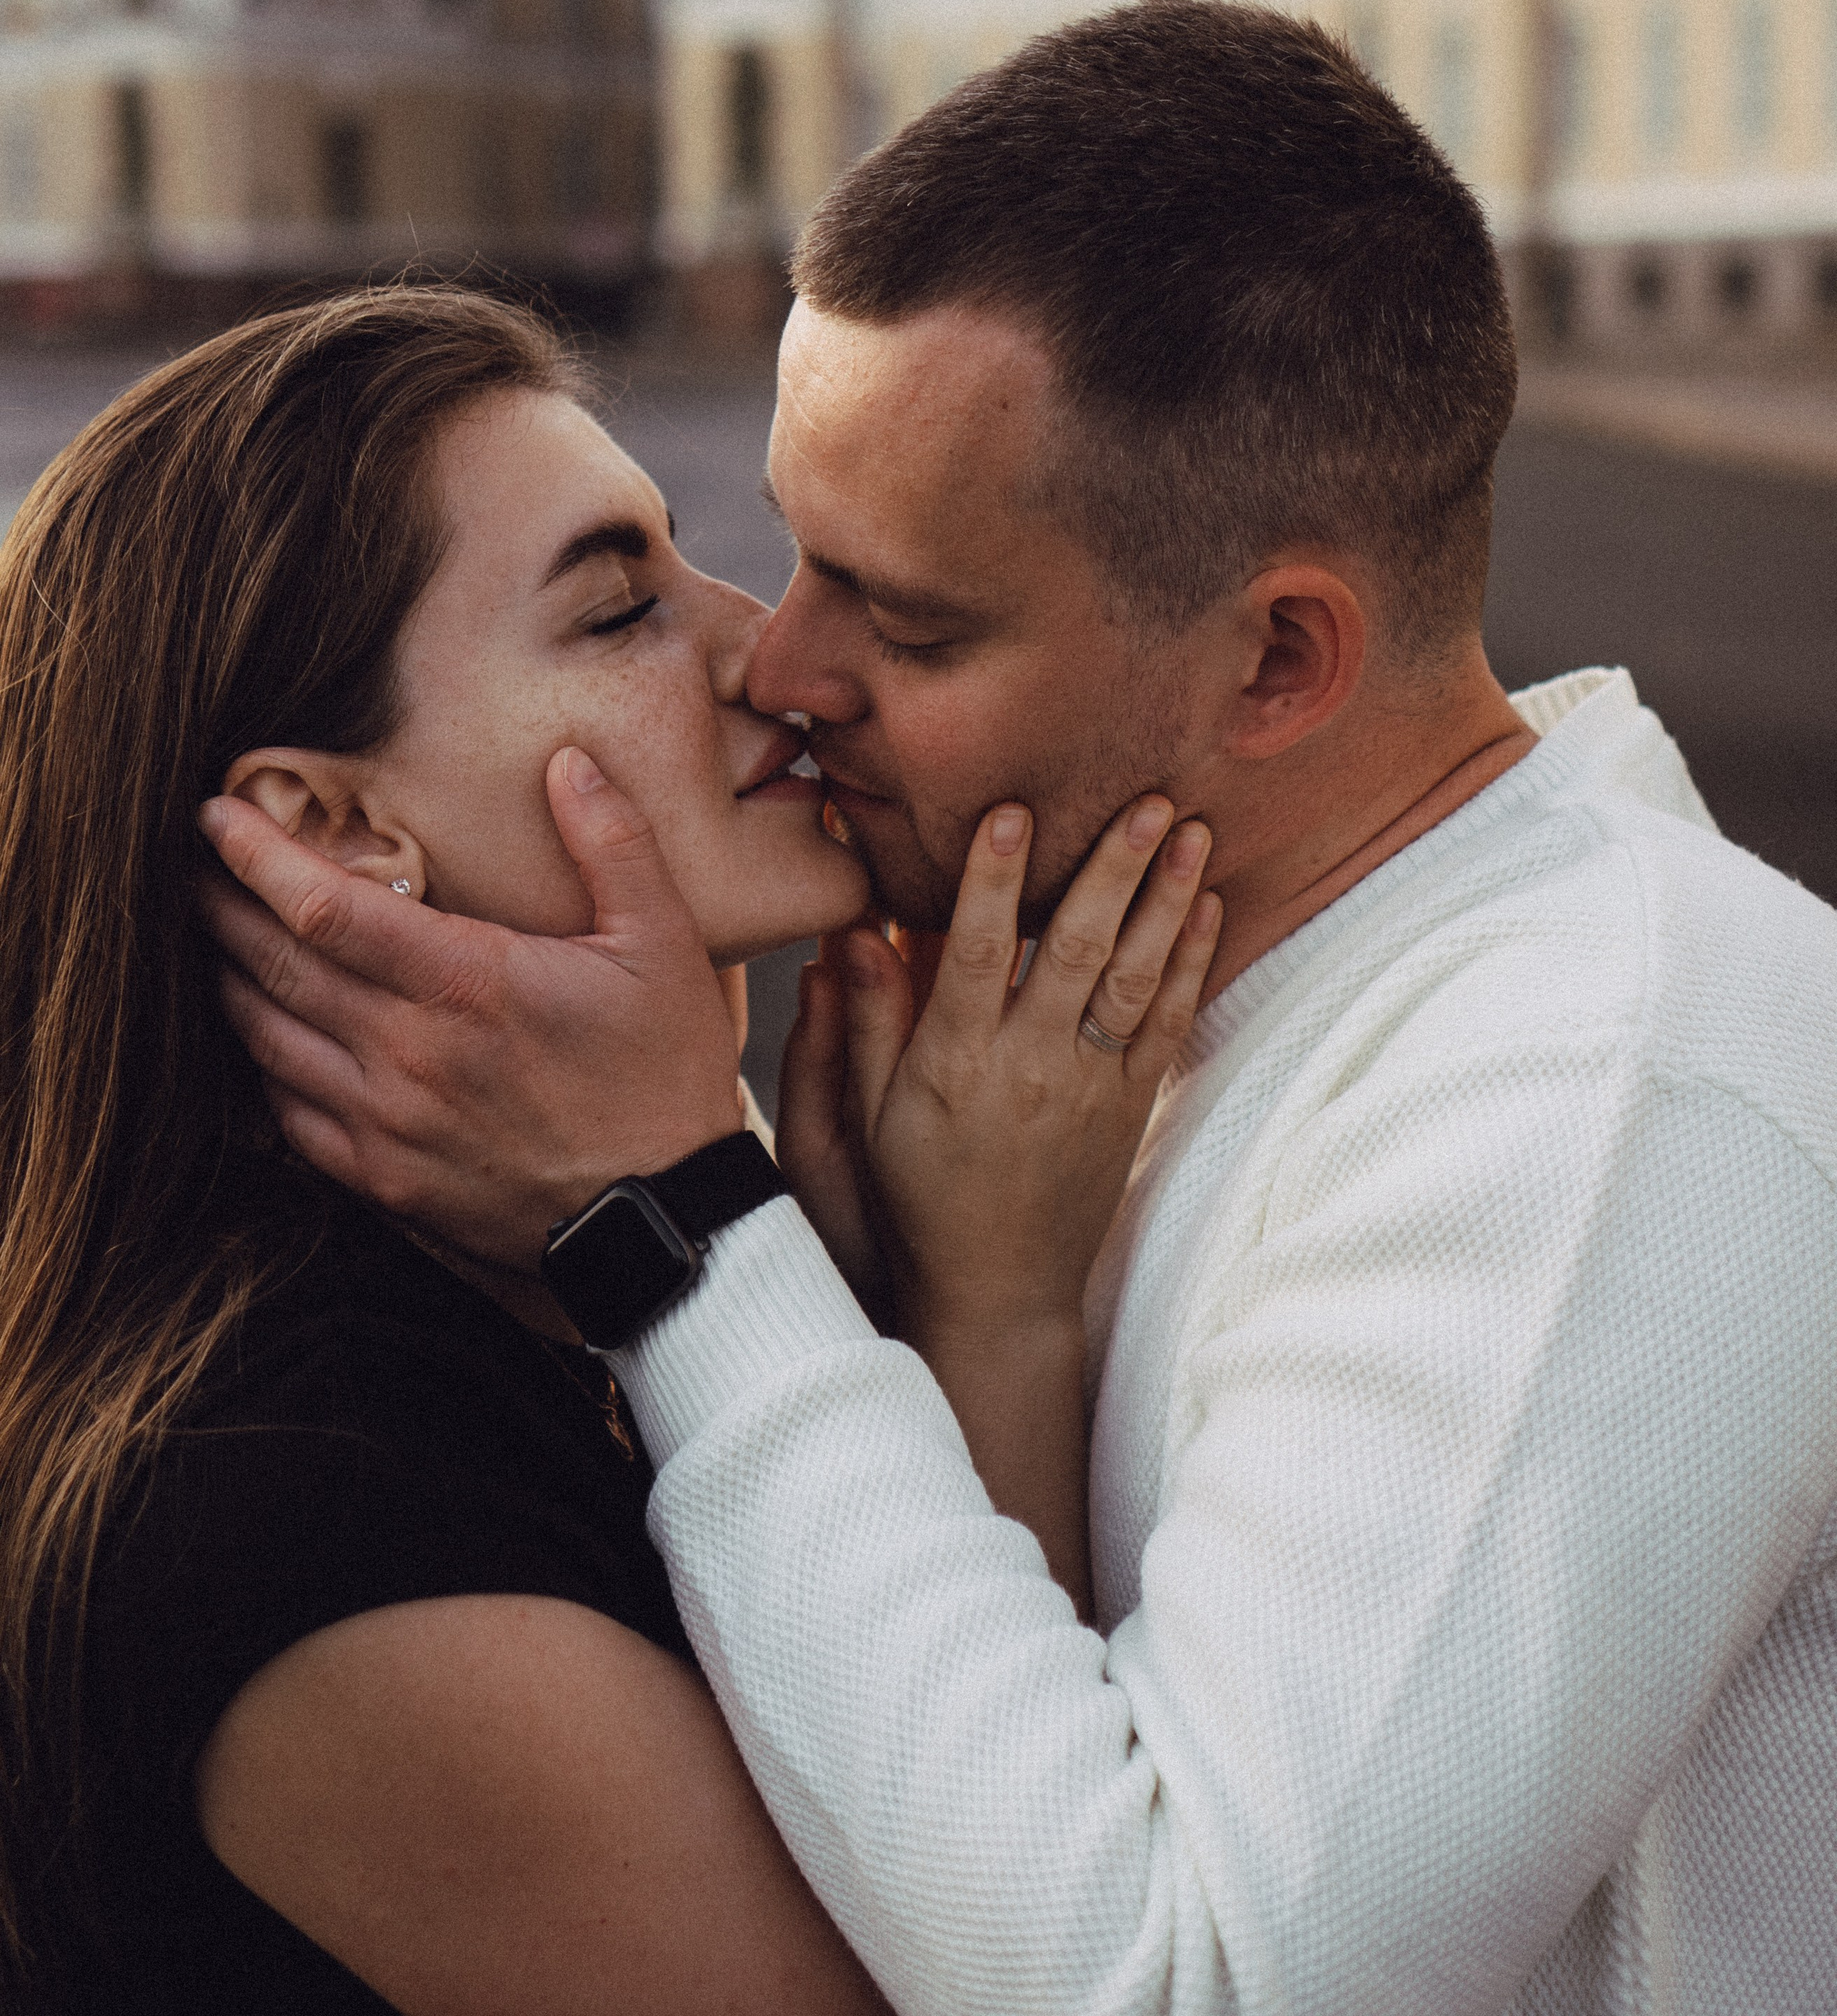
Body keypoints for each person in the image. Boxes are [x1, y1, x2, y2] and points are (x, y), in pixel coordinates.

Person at [207, 0, 1837, 2016]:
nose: (777, 667)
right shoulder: (1082, 1039)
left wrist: (683, 1230)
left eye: (904, 619)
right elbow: (995, 1767)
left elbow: (1175, 1980)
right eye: (791, 555)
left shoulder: (1604, 1082)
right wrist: (967, 1302)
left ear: (1275, 665)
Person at [0, 279, 1215, 2015]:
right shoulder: (285, 1505)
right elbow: (1011, 1966)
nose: (771, 654)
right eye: (621, 609)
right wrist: (971, 1294)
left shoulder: (501, 1288)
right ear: (335, 831)